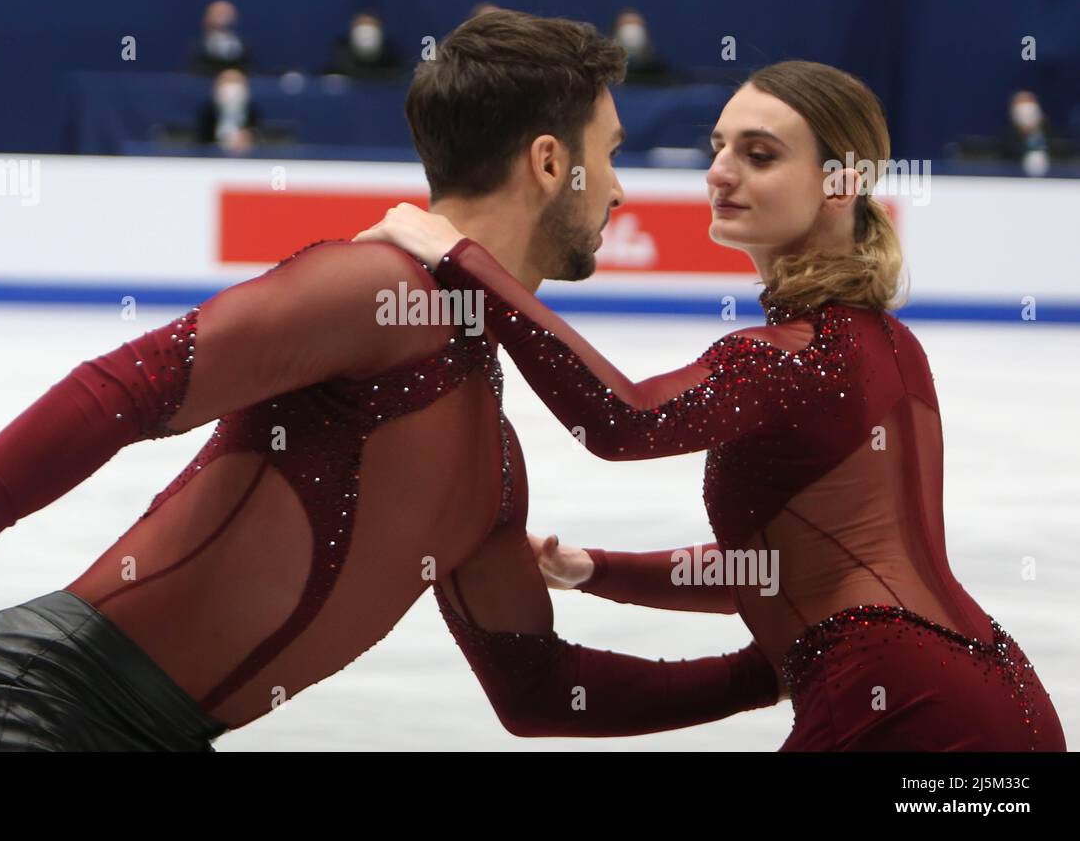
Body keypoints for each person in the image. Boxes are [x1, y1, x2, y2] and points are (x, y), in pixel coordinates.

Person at [0, 10, 781, 751]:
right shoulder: (370, 287)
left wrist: (772, 670)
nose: (617, 188)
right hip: (26, 710)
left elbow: (537, 689)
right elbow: (121, 386)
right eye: (607, 157)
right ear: (547, 160)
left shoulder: (494, 464)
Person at [356, 58, 1067, 751]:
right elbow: (786, 567)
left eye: (759, 155)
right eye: (718, 146)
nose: (720, 171)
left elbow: (623, 420)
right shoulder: (884, 343)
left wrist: (462, 260)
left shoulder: (795, 353)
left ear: (840, 184)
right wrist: (597, 567)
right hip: (999, 696)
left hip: (897, 701)